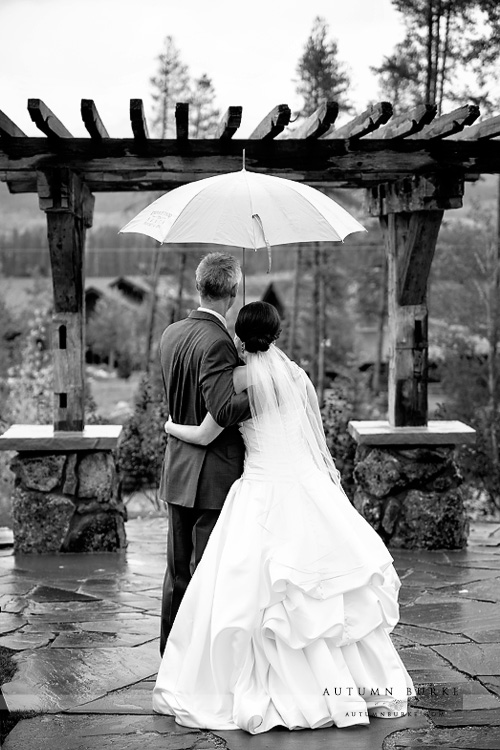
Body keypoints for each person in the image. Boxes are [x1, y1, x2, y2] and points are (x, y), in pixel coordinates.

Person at [154, 301, 415, 733]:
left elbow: (204, 432)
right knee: (324, 591)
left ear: (239, 336)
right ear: (276, 334)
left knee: (255, 593)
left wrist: (169, 426)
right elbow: (316, 436)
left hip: (261, 488)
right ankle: (357, 689)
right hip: (306, 485)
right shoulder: (297, 376)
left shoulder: (239, 379)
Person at [157, 252, 250, 656]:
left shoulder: (171, 333)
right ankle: (198, 662)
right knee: (207, 571)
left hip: (178, 467)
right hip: (213, 475)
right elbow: (224, 410)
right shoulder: (217, 342)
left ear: (200, 286)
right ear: (232, 294)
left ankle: (171, 655)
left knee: (177, 572)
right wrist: (268, 389)